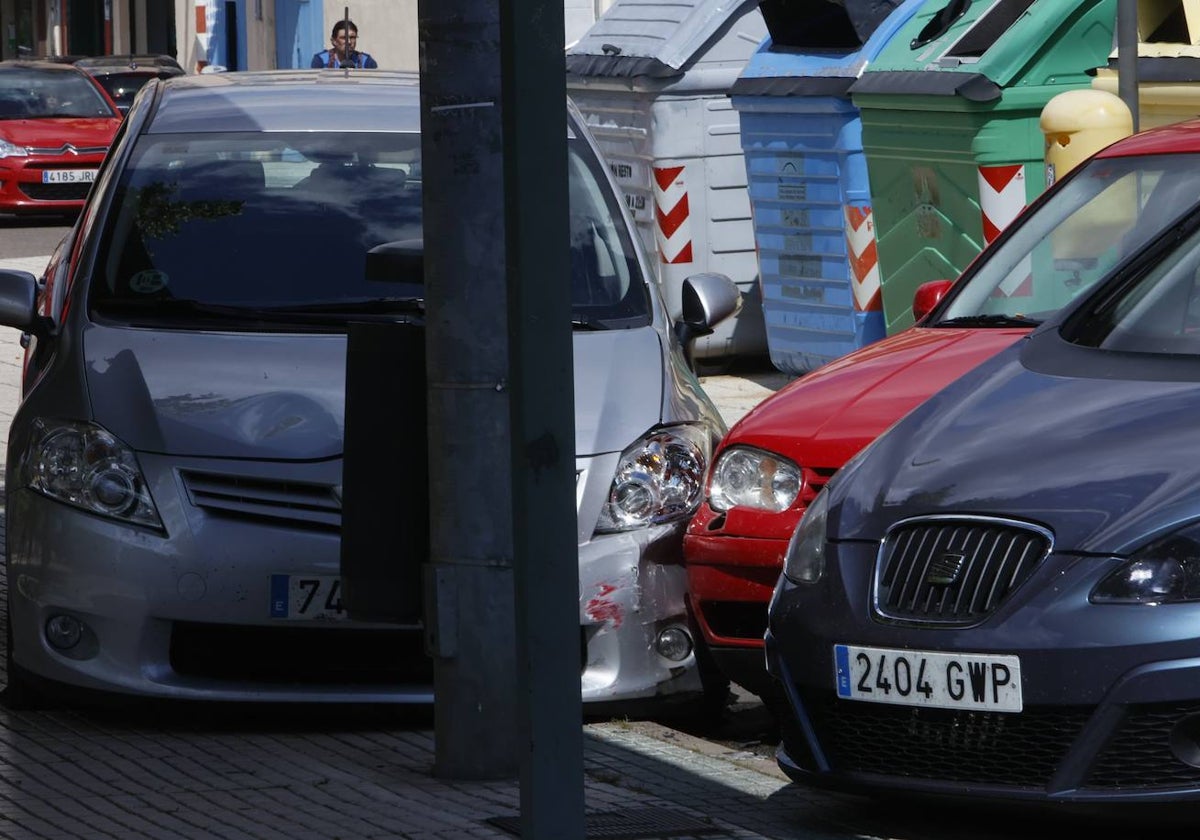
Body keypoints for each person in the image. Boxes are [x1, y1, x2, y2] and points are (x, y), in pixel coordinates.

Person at [311, 19, 378, 69]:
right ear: (334, 41)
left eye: (352, 37)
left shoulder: (366, 61)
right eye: (343, 38)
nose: (349, 42)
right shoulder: (321, 61)